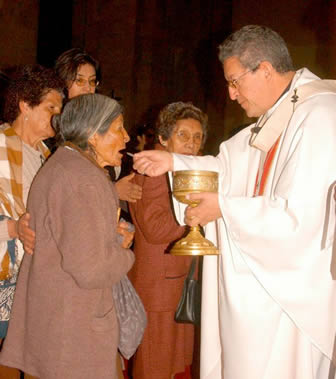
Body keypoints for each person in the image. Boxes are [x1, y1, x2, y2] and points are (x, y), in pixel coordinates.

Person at [133, 25, 336, 379]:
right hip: (256, 290)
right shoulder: (281, 113)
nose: (230, 94)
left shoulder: (319, 115)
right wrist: (175, 163)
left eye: (234, 81)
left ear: (266, 70)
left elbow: (300, 217)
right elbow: (230, 169)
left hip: (285, 297)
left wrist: (223, 208)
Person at [0, 93, 135, 379]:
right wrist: (124, 251)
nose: (126, 138)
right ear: (93, 135)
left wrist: (108, 236)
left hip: (60, 322)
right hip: (75, 333)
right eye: (118, 128)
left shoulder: (66, 166)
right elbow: (89, 269)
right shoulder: (82, 179)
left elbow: (71, 241)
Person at [128, 101, 207, 379]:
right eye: (183, 135)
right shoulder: (154, 172)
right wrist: (195, 216)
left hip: (176, 283)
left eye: (197, 138)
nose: (191, 144)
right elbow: (155, 229)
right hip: (158, 287)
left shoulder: (180, 172)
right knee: (154, 365)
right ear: (163, 138)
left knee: (172, 364)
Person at [0, 64, 64, 378]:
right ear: (25, 105)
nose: (58, 114)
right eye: (51, 107)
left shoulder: (48, 156)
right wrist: (12, 228)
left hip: (39, 277)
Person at [55, 47, 142, 204]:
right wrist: (113, 190)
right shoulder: (54, 126)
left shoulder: (101, 121)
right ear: (62, 83)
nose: (87, 88)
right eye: (79, 81)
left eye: (92, 81)